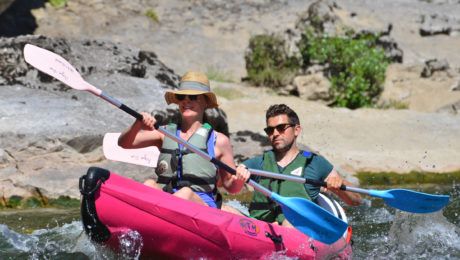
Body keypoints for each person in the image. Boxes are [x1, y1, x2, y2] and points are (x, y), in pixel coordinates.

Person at [118, 71, 250, 208]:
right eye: (182, 97)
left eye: (193, 97)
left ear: (205, 102)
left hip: (202, 207)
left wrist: (239, 180)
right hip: (167, 199)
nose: (186, 100)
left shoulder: (219, 140)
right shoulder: (163, 133)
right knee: (149, 184)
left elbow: (230, 186)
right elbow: (124, 143)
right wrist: (137, 124)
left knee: (185, 193)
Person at [238, 104, 361, 226]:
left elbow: (356, 200)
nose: (275, 133)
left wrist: (339, 184)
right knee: (224, 209)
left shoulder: (315, 163)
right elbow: (230, 186)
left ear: (296, 130)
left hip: (297, 231)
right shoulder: (258, 163)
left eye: (281, 128)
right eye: (270, 130)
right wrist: (237, 174)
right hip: (259, 231)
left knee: (288, 223)